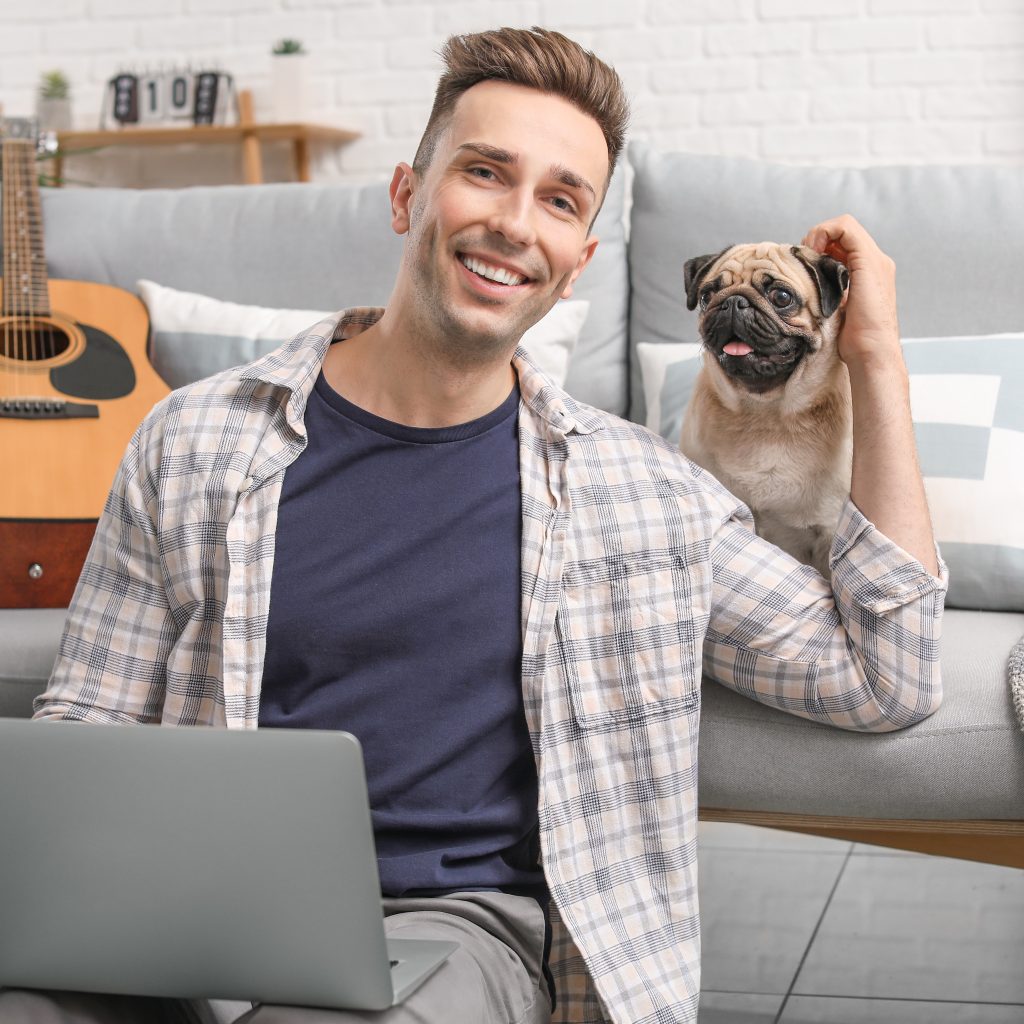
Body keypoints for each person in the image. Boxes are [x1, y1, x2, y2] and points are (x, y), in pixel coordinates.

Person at [4, 25, 946, 1024]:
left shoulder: (643, 495)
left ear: (576, 260)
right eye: (484, 172)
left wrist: (874, 353)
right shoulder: (189, 440)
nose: (512, 222)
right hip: (181, 922)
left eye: (558, 199)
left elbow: (886, 675)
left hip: (449, 935)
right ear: (408, 193)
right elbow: (89, 723)